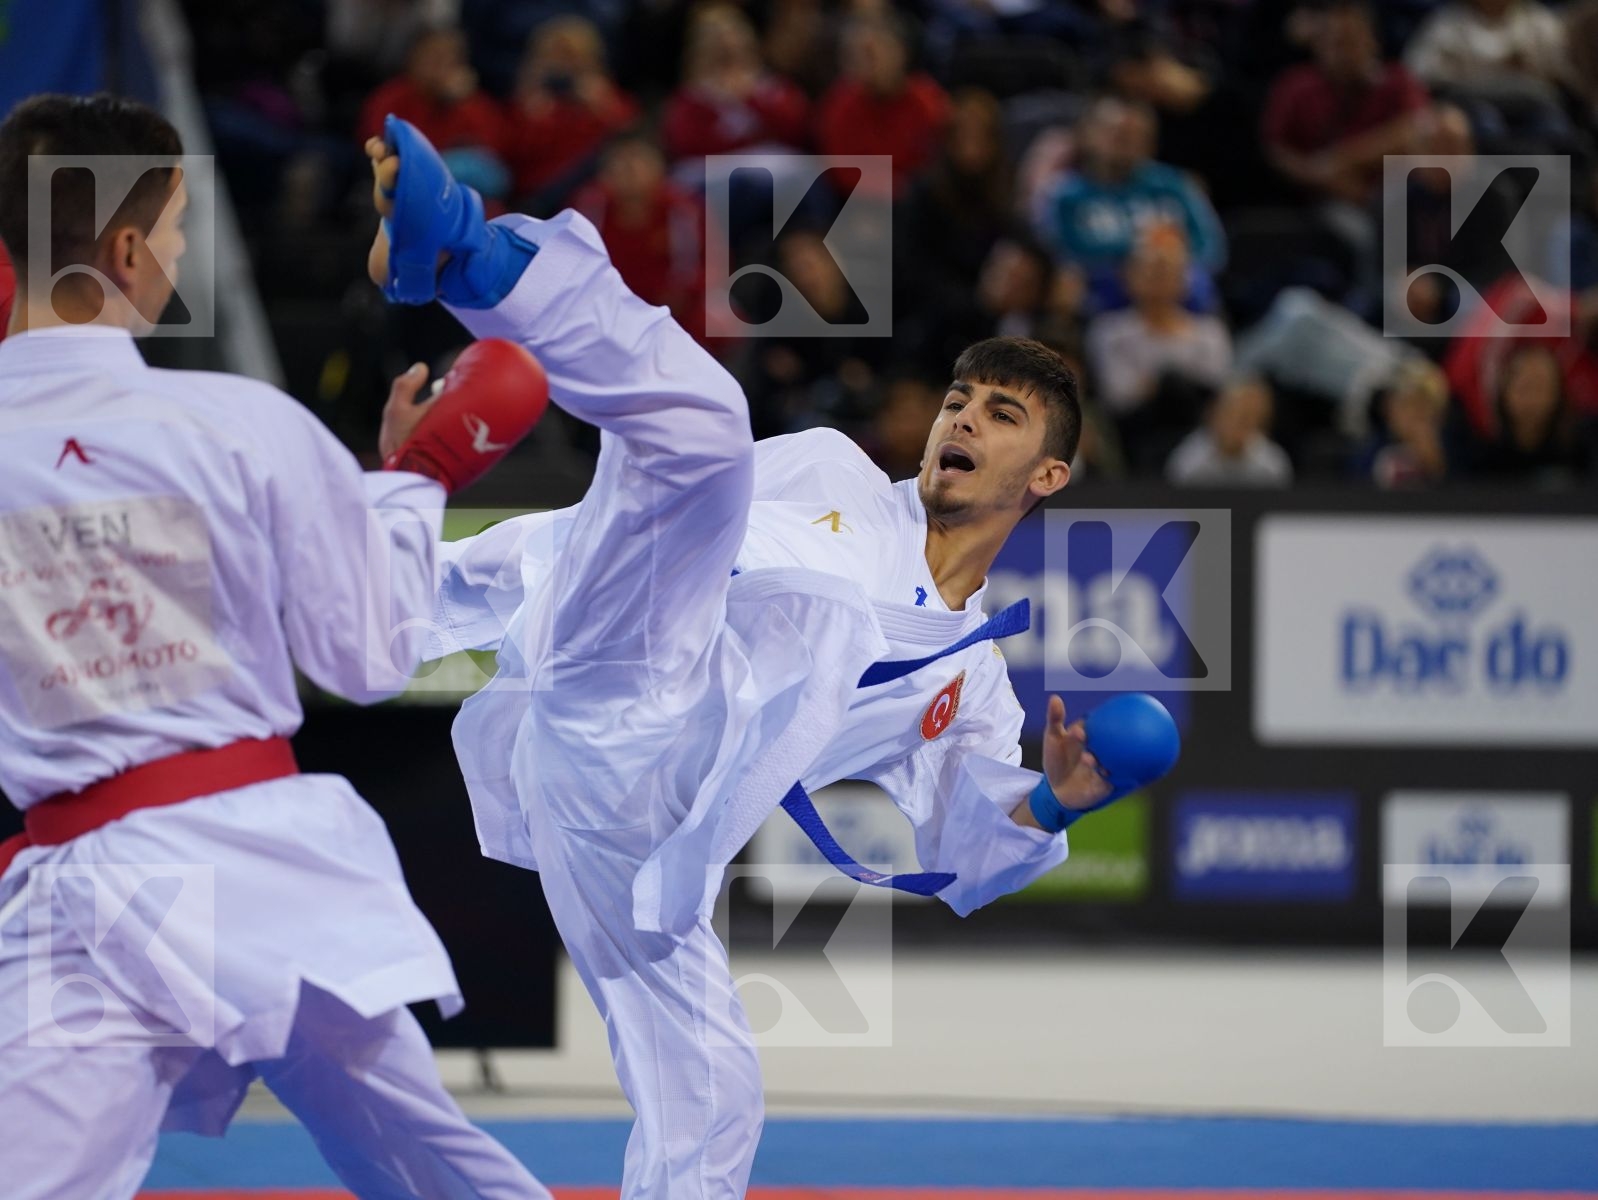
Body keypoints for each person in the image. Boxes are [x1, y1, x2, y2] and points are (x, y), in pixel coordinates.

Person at [368, 117, 1133, 1200]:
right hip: (616, 686)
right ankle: (465, 249)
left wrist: (1049, 806)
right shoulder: (826, 469)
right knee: (697, 434)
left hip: (645, 840)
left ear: (1044, 476)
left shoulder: (971, 679)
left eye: (999, 415)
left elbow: (963, 848)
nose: (960, 418)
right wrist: (399, 581)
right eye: (958, 399)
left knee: (716, 1095)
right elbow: (598, 534)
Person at [0, 94, 550, 1200]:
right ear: (122, 248)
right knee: (430, 1168)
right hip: (259, 872)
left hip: (81, 888)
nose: (178, 253)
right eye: (175, 229)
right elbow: (369, 660)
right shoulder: (241, 427)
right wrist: (410, 486)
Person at [1165, 377, 1294, 487]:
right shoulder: (1189, 458)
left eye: (1245, 419)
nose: (1235, 426)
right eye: (1230, 415)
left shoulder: (1271, 463)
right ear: (1215, 415)